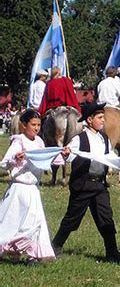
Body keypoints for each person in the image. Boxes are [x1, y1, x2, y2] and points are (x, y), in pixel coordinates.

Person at [52, 102, 120, 260]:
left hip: (99, 185)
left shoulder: (104, 138)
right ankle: (56, 245)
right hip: (83, 185)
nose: (103, 120)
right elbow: (68, 155)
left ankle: (112, 250)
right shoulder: (79, 139)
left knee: (106, 216)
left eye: (103, 117)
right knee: (72, 217)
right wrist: (66, 153)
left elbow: (110, 156)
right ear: (90, 120)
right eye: (99, 117)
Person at [0, 109, 59, 265]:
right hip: (19, 189)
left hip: (33, 189)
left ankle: (33, 254)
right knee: (12, 222)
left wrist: (62, 154)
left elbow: (47, 159)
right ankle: (12, 249)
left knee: (35, 222)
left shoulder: (39, 142)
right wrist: (16, 158)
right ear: (24, 125)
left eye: (39, 125)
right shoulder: (19, 141)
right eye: (33, 125)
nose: (36, 128)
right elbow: (5, 163)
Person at [97, 66, 120, 145]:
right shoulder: (115, 82)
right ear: (114, 74)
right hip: (113, 106)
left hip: (101, 107)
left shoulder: (100, 83)